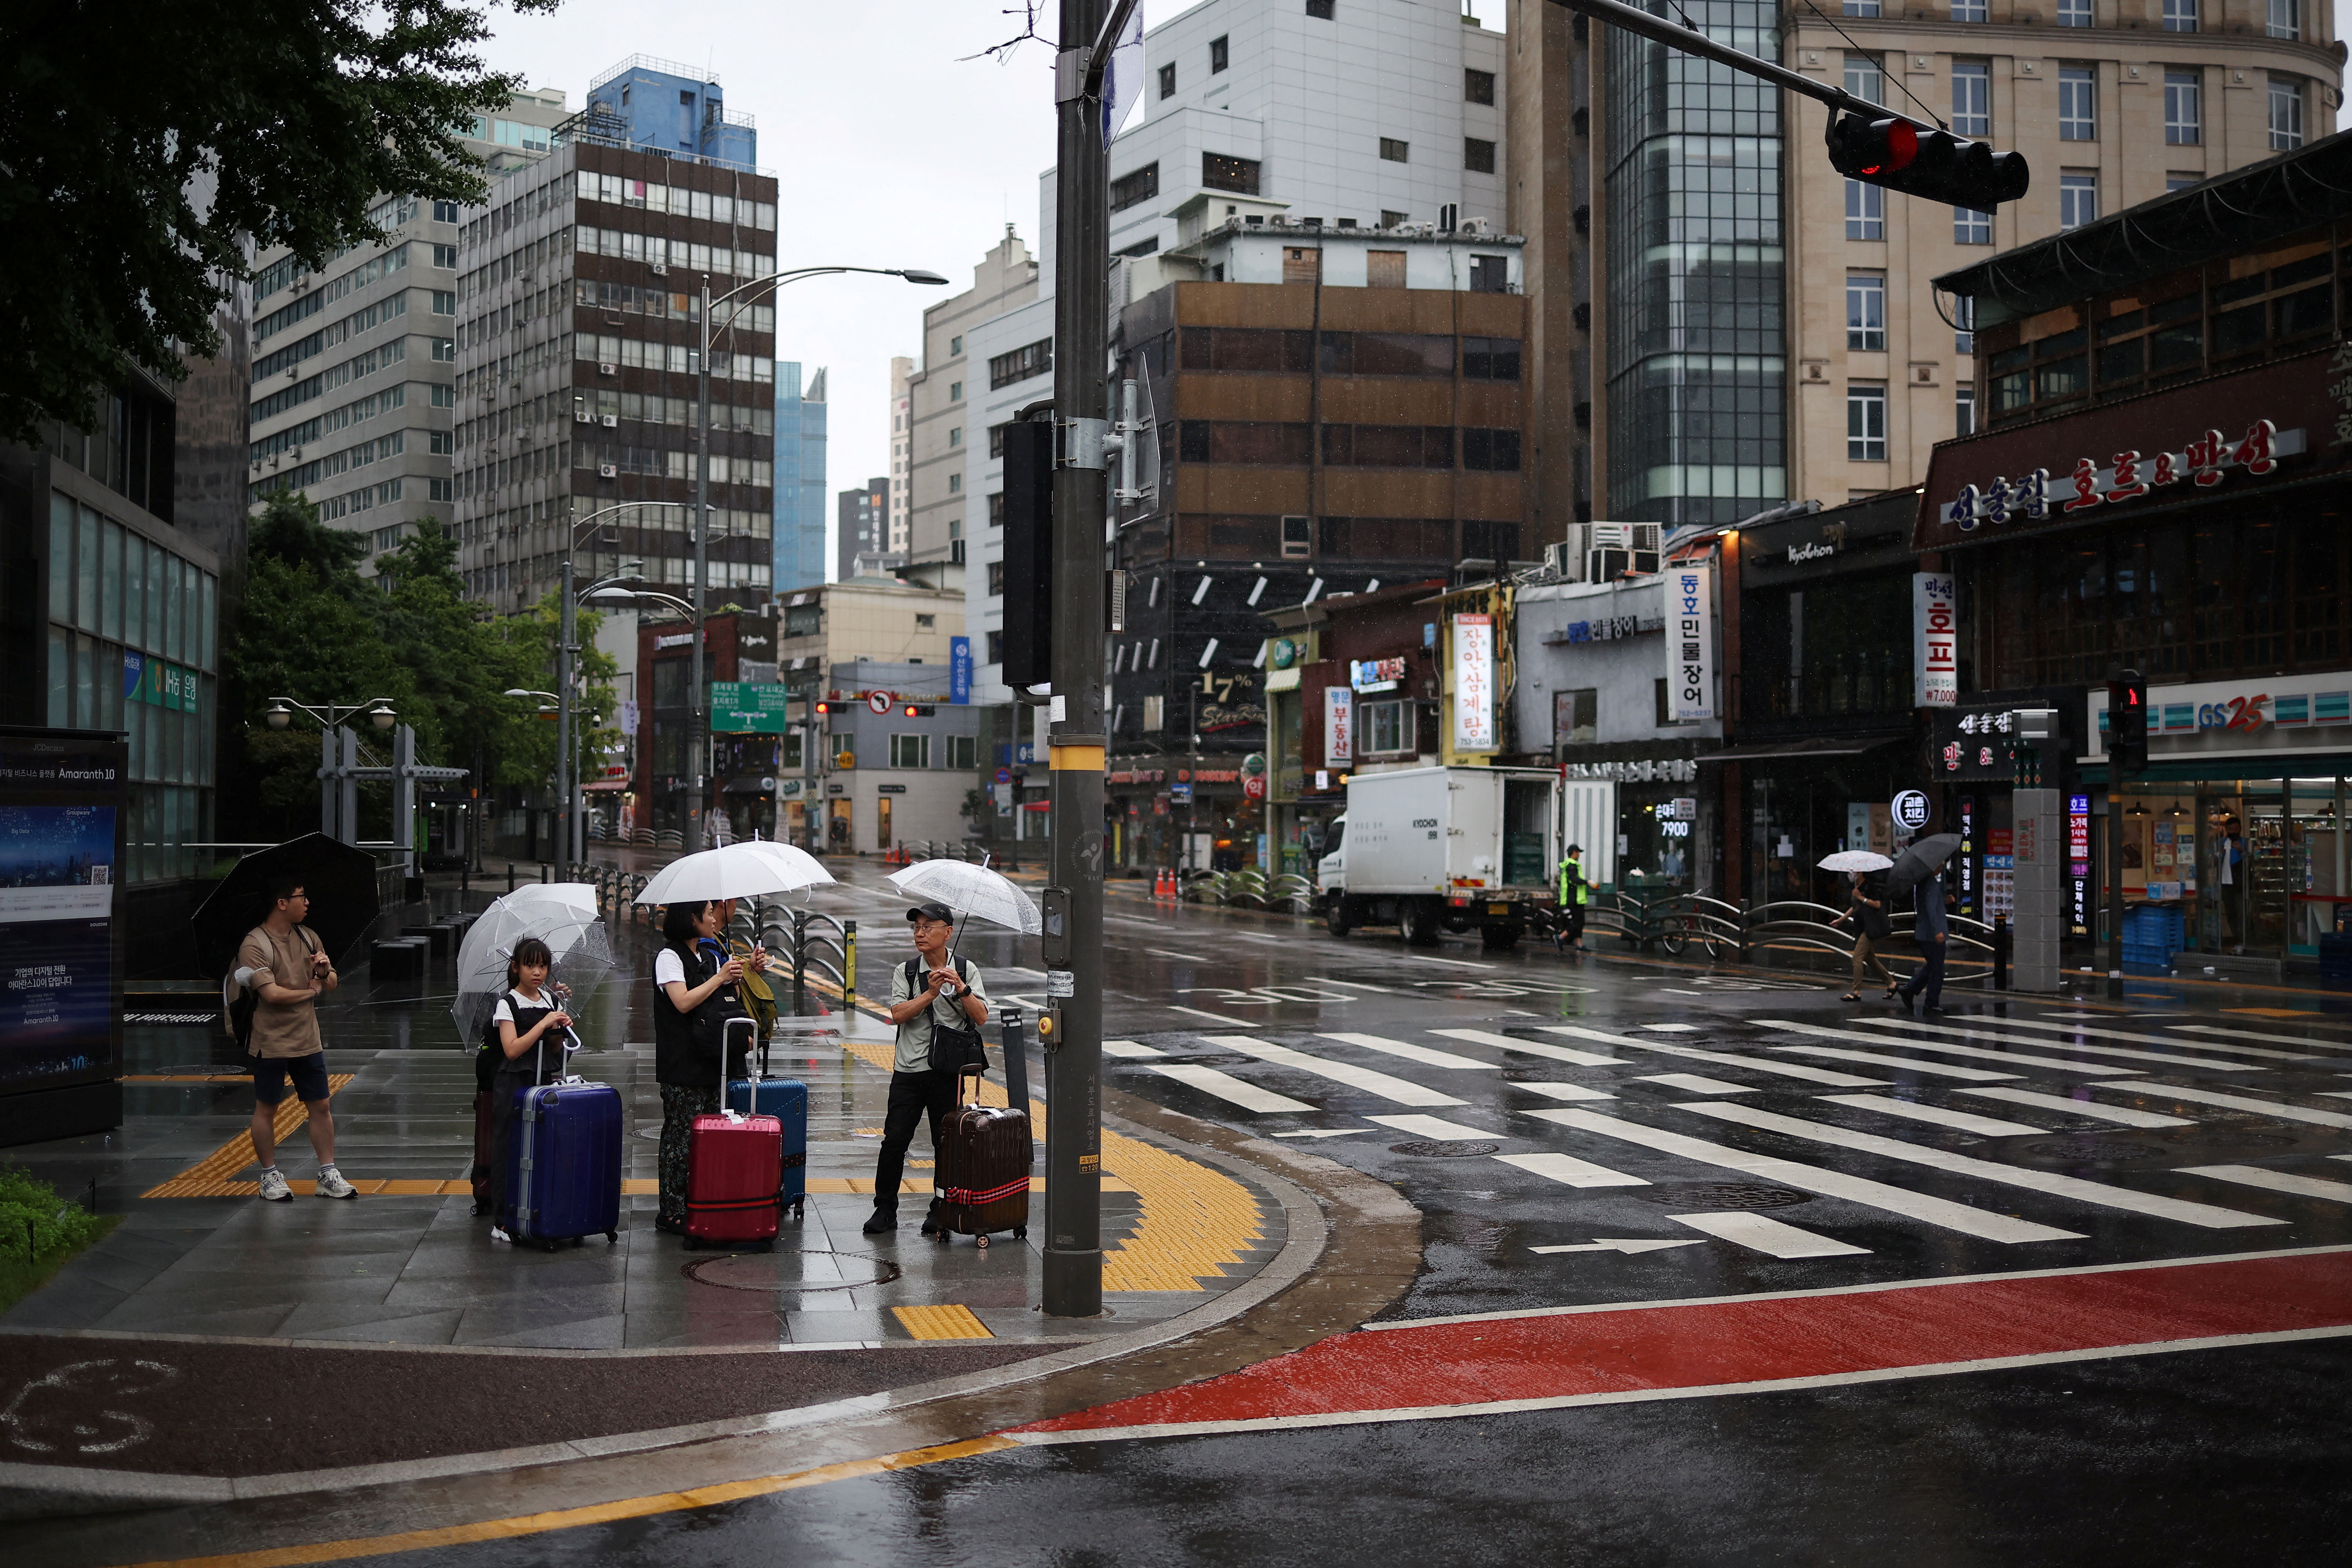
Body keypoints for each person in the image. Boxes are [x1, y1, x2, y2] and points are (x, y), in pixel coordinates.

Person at [862, 902, 991, 1236]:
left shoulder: (965, 968)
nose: (920, 933)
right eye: (916, 927)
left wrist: (960, 987)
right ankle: (885, 1209)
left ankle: (940, 1207)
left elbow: (981, 1017)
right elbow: (898, 1014)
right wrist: (931, 993)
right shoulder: (906, 971)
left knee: (945, 1144)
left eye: (928, 926)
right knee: (894, 1141)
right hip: (908, 1070)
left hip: (948, 1071)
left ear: (948, 932)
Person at [235, 877, 356, 1201]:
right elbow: (271, 994)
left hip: (307, 1037)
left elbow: (331, 982)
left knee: (321, 1106)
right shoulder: (254, 944)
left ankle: (328, 1172)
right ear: (282, 903)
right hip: (270, 1040)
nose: (307, 903)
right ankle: (269, 1176)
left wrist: (323, 972)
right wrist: (312, 990)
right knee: (267, 1108)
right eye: (301, 897)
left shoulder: (308, 935)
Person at [651, 899, 753, 1235]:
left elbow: (719, 1002)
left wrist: (741, 973)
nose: (714, 918)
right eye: (708, 913)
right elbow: (682, 1002)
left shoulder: (708, 955)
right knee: (680, 1137)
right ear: (691, 919)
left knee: (709, 1137)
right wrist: (720, 976)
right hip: (682, 1063)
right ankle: (671, 1210)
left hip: (712, 1060)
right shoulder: (669, 957)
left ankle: (700, 1201)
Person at [484, 936, 574, 1243]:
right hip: (513, 1083)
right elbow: (511, 1049)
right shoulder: (507, 1003)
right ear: (516, 968)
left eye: (543, 966)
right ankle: (503, 1220)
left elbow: (555, 1050)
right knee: (508, 1147)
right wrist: (543, 1024)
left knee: (541, 1147)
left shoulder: (551, 1000)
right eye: (530, 965)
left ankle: (535, 1210)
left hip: (543, 1082)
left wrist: (560, 1025)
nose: (537, 972)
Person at [1832, 869, 1896, 1002]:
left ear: (1861, 873)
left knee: (1857, 957)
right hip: (1861, 927)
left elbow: (1877, 904)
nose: (1850, 874)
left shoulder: (1870, 886)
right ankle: (1891, 984)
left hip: (1870, 928)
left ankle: (1856, 991)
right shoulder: (1857, 888)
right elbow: (1855, 906)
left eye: (1853, 871)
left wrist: (1861, 897)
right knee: (1870, 958)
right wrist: (1841, 919)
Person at [1895, 869, 1949, 1015]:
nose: (1941, 866)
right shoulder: (1931, 883)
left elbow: (1930, 905)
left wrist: (1944, 900)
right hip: (1931, 934)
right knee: (1937, 969)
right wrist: (1937, 931)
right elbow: (1931, 909)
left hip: (1925, 932)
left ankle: (1910, 990)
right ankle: (1931, 1003)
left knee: (1933, 966)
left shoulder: (1923, 883)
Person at [1556, 844, 1588, 951]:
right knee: (1577, 923)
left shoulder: (1571, 865)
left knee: (1579, 922)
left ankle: (1579, 945)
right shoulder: (1571, 865)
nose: (1579, 855)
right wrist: (1587, 882)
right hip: (1574, 899)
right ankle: (1561, 937)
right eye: (1578, 852)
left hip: (1576, 899)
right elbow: (1574, 880)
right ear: (1574, 852)